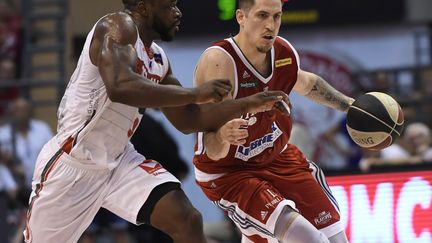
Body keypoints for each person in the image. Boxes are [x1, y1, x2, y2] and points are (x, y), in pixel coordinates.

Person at [23, 0, 288, 242]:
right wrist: (196, 93)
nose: (178, 12)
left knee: (187, 219)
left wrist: (251, 102)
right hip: (74, 161)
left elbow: (189, 119)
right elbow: (120, 86)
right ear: (145, 6)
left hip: (119, 162)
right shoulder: (117, 26)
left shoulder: (158, 59)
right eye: (170, 5)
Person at [193, 0, 355, 242]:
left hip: (277, 157)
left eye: (276, 16)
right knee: (310, 239)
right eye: (262, 15)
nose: (270, 25)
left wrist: (350, 106)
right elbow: (211, 147)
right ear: (241, 17)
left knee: (336, 238)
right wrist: (225, 135)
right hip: (230, 172)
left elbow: (307, 83)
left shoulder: (284, 53)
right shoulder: (220, 62)